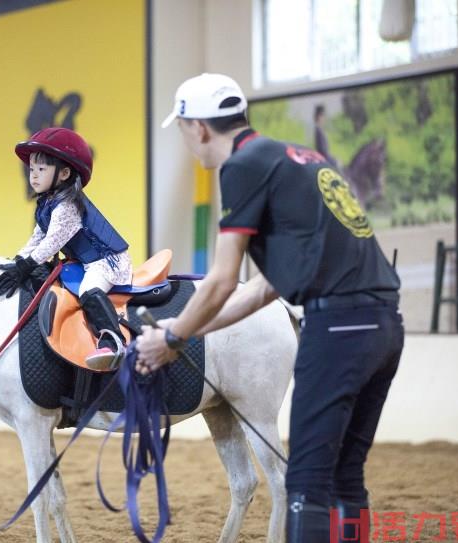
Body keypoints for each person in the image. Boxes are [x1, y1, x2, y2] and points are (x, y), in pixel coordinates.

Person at [136, 73, 403, 543]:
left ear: (198, 127)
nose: (187, 142)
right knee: (345, 475)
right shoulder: (300, 158)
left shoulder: (241, 166)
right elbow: (261, 289)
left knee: (306, 481)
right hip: (383, 326)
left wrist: (171, 338)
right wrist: (183, 330)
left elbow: (220, 279)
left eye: (182, 130)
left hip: (338, 325)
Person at [0, 127, 132, 369]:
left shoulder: (67, 205)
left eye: (41, 169)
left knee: (89, 289)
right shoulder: (48, 203)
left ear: (65, 173)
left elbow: (52, 242)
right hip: (86, 261)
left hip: (107, 260)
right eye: (31, 170)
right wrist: (17, 261)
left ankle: (113, 340)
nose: (33, 176)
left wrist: (25, 266)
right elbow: (37, 238)